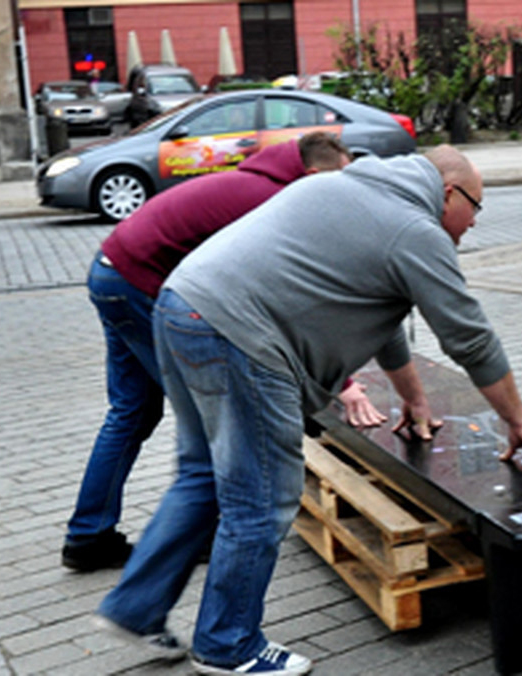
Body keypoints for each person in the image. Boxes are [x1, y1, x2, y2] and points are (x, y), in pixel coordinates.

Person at [94, 145, 522, 675]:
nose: (474, 223)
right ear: (447, 193)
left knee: (203, 473)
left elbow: (384, 318)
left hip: (180, 306)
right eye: (476, 208)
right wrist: (519, 423)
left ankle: (134, 609)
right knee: (262, 496)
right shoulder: (416, 231)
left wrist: (414, 397)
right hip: (239, 337)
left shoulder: (349, 190)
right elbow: (471, 340)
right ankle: (227, 644)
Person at [62, 133, 386, 572]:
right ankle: (195, 536)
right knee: (214, 414)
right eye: (337, 184)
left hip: (112, 271)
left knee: (132, 411)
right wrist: (341, 384)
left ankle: (89, 537)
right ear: (311, 176)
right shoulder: (272, 200)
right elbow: (278, 299)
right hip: (140, 284)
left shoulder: (257, 182)